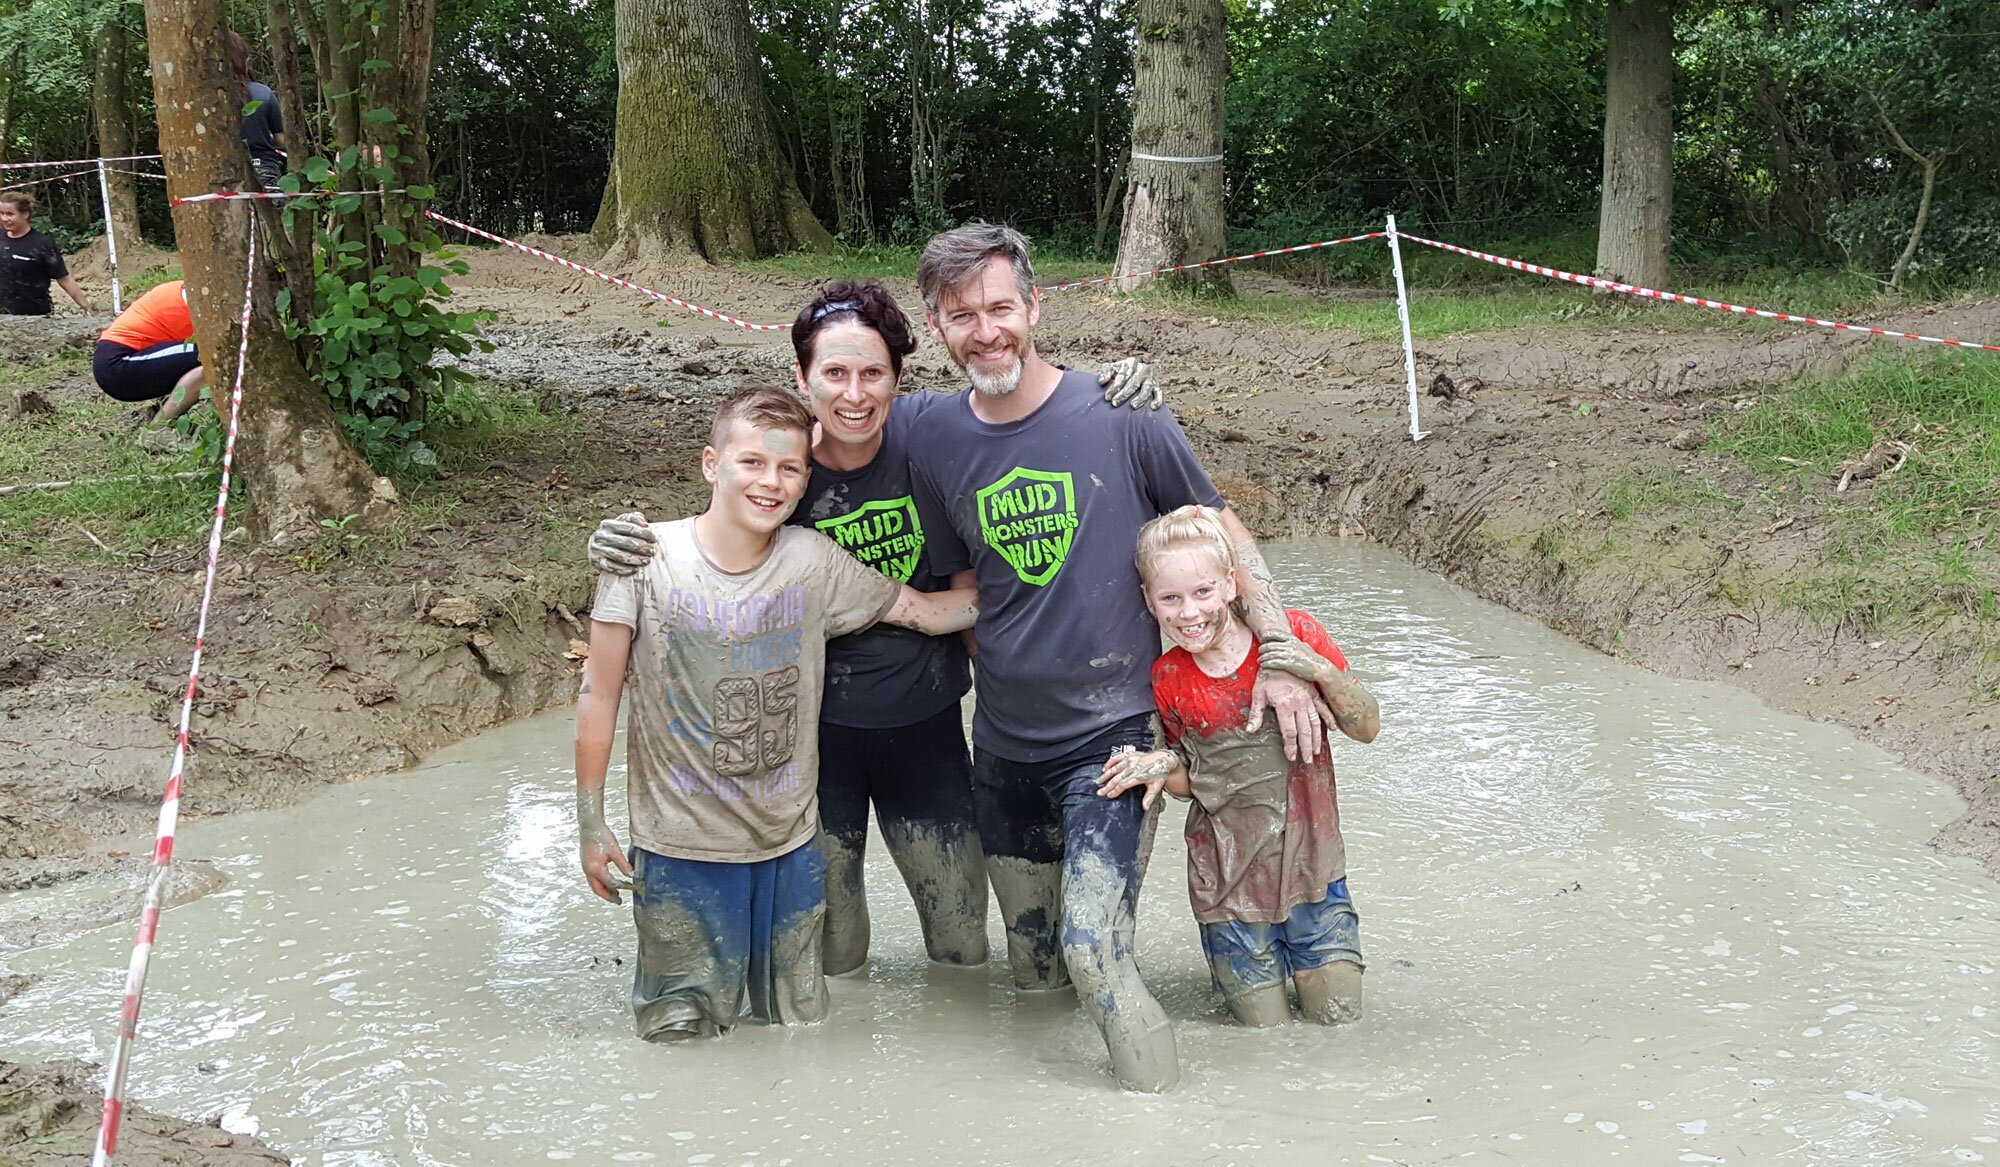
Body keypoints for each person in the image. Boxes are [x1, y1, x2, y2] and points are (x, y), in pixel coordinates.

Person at [585, 281, 1166, 978]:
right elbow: (709, 551)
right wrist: (617, 543)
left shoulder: (934, 441)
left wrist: (1115, 385)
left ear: (899, 379)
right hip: (808, 746)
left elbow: (1022, 416)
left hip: (926, 728)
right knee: (833, 949)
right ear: (802, 378)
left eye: (872, 373)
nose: (853, 394)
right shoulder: (782, 470)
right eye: (834, 374)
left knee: (960, 944)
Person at [903, 222, 1329, 1092]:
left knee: (1093, 947)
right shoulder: (931, 435)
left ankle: (1164, 1119)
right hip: (1003, 749)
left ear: (1034, 304)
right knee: (1035, 978)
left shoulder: (1122, 409)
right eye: (961, 316)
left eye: (999, 308)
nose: (985, 332)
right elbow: (961, 581)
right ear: (935, 325)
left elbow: (1225, 533)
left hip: (1114, 744)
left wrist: (1280, 653)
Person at [574, 384, 983, 1041]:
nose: (771, 481)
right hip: (681, 849)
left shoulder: (810, 562)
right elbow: (598, 693)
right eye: (752, 463)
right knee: (681, 1030)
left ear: (804, 481)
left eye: (789, 468)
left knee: (797, 1027)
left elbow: (926, 611)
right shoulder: (644, 558)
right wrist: (590, 822)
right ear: (712, 464)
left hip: (789, 849)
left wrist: (1042, 592)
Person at [1097, 505, 1380, 1028]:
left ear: (1231, 585)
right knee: (1263, 1036)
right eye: (1170, 598)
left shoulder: (1296, 633)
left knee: (1339, 1023)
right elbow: (1193, 783)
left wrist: (1314, 668)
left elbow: (1366, 727)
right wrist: (1156, 765)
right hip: (1227, 887)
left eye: (1203, 592)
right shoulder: (1167, 677)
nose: (1189, 613)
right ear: (1149, 602)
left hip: (1314, 873)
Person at [93, 279, 205, 427]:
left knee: (205, 354)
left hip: (119, 359)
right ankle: (158, 428)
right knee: (211, 357)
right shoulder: (199, 300)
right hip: (119, 364)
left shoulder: (189, 289)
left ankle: (167, 413)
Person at [1, 189, 89, 316]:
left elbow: (64, 278)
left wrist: (86, 307)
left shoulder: (42, 244)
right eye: (2, 213)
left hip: (37, 318)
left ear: (25, 214)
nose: (4, 218)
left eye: (10, 214)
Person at [229, 33, 286, 190]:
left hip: (225, 171)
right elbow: (282, 139)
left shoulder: (211, 97)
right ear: (246, 62)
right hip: (264, 168)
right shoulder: (263, 94)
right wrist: (262, 136)